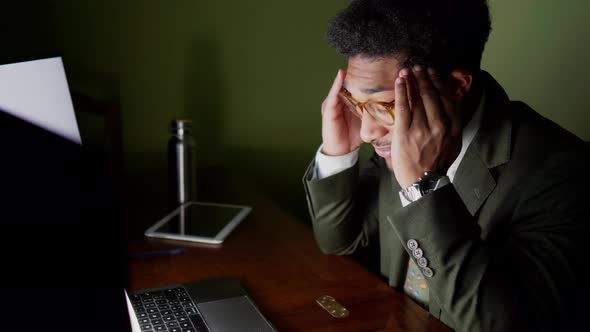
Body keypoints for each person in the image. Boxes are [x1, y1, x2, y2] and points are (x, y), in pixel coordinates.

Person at [302, 0, 589, 331]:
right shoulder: (395, 134)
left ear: (455, 87)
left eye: (383, 105)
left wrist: (423, 188)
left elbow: (501, 324)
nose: (367, 131)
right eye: (355, 102)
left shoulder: (563, 172)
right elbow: (341, 243)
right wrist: (337, 152)